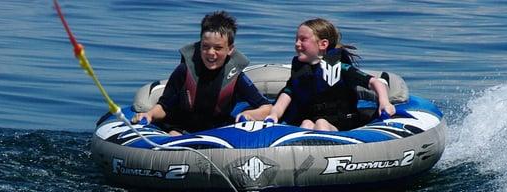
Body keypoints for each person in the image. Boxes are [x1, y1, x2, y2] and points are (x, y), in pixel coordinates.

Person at [133, 11, 272, 135]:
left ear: (230, 49)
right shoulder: (183, 70)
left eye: (218, 48)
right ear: (200, 45)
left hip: (218, 130)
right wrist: (149, 115)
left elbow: (266, 107)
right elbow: (164, 107)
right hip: (181, 128)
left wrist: (249, 114)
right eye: (205, 47)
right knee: (173, 136)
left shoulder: (236, 76)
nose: (211, 53)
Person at [265, 18, 396, 131]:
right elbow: (286, 95)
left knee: (321, 123)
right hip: (312, 120)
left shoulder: (340, 68)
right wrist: (274, 114)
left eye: (303, 39)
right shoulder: (300, 71)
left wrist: (384, 102)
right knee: (306, 123)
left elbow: (374, 82)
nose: (297, 44)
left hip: (343, 123)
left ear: (323, 44)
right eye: (296, 39)